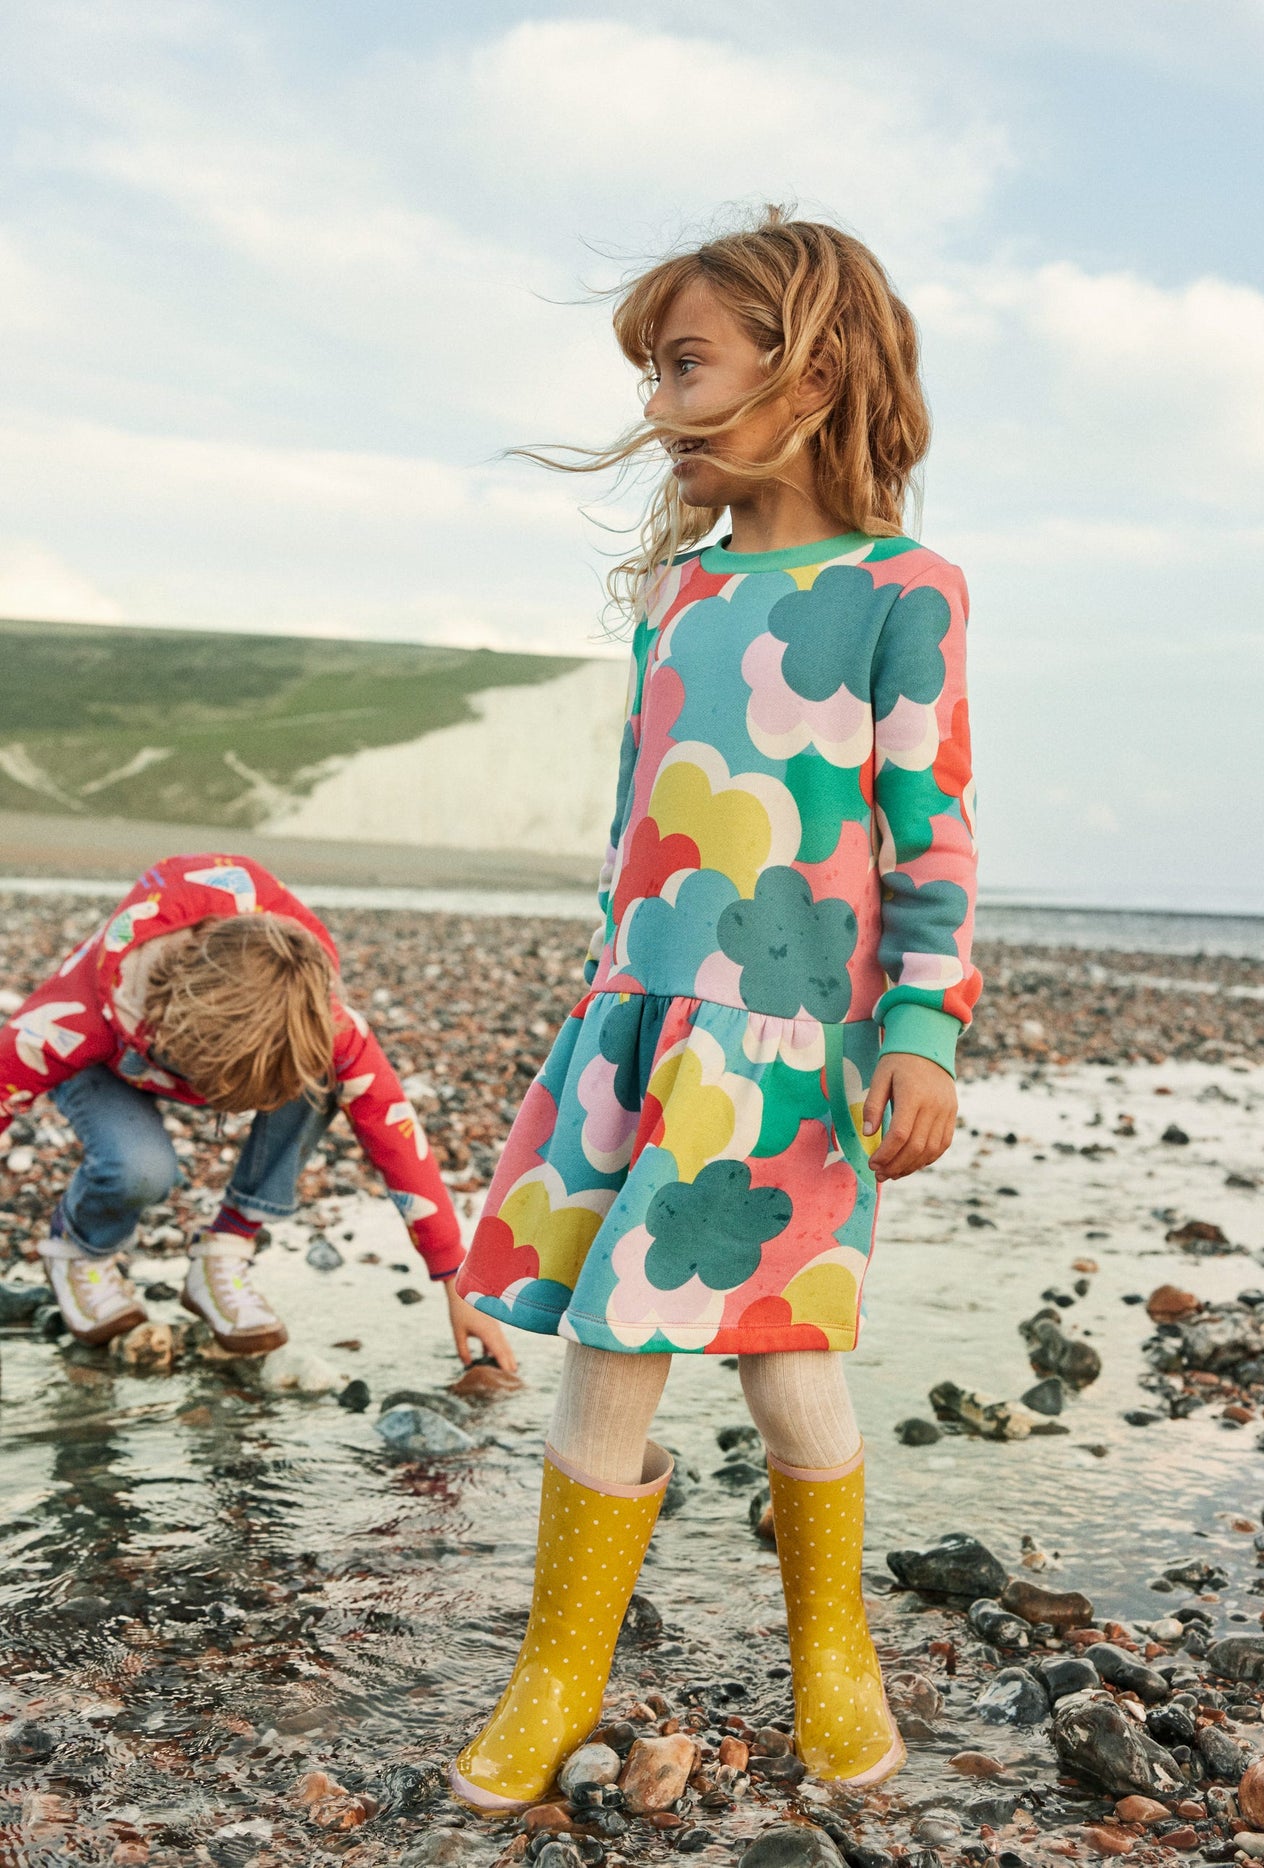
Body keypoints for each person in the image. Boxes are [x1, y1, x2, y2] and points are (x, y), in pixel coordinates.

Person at [447, 208, 981, 1810]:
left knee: (784, 1354)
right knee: (611, 1337)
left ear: (807, 373)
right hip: (643, 1019)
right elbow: (640, 820)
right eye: (653, 370)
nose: (662, 400)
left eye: (687, 362)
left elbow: (926, 828)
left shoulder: (906, 588)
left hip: (792, 1040)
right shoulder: (679, 594)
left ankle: (838, 1650)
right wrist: (616, 997)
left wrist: (922, 1030)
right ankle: (560, 1664)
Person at [0, 853, 517, 1372]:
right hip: (112, 1060)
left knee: (323, 1071)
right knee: (139, 1169)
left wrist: (457, 1279)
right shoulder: (72, 1020)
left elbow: (395, 1131)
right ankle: (79, 1251)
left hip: (223, 1042)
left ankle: (225, 1248)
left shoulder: (319, 1019)